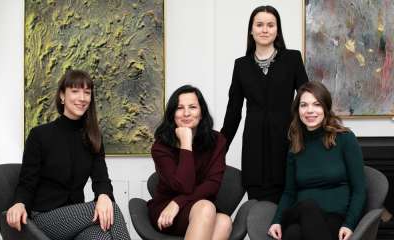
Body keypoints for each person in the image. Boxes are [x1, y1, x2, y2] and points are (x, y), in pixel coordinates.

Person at [6, 70, 131, 240]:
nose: (82, 98)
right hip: (44, 217)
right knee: (113, 209)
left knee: (101, 237)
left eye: (87, 93)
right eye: (75, 91)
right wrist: (19, 203)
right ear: (62, 96)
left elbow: (101, 179)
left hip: (75, 218)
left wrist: (103, 195)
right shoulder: (39, 135)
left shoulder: (93, 137)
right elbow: (27, 182)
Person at [221, 5, 309, 203]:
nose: (265, 29)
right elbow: (233, 112)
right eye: (259, 24)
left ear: (277, 30)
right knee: (259, 216)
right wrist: (219, 149)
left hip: (287, 143)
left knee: (288, 213)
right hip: (255, 149)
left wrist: (316, 136)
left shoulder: (292, 59)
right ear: (251, 30)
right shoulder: (241, 65)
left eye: (270, 25)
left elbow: (308, 99)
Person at [268, 81, 366, 240]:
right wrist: (277, 220)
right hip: (300, 213)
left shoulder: (345, 139)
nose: (310, 110)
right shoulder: (296, 144)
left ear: (325, 108)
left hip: (336, 218)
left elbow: (359, 190)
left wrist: (349, 224)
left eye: (316, 104)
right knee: (307, 207)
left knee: (293, 234)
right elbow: (289, 192)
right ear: (297, 110)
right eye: (304, 105)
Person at [148, 85, 232, 239]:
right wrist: (186, 142)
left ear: (201, 113)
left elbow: (212, 184)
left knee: (224, 222)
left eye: (192, 107)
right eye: (180, 108)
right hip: (166, 210)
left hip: (191, 206)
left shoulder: (217, 141)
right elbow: (184, 185)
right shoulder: (160, 147)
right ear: (173, 114)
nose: (186, 113)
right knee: (207, 207)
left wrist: (178, 202)